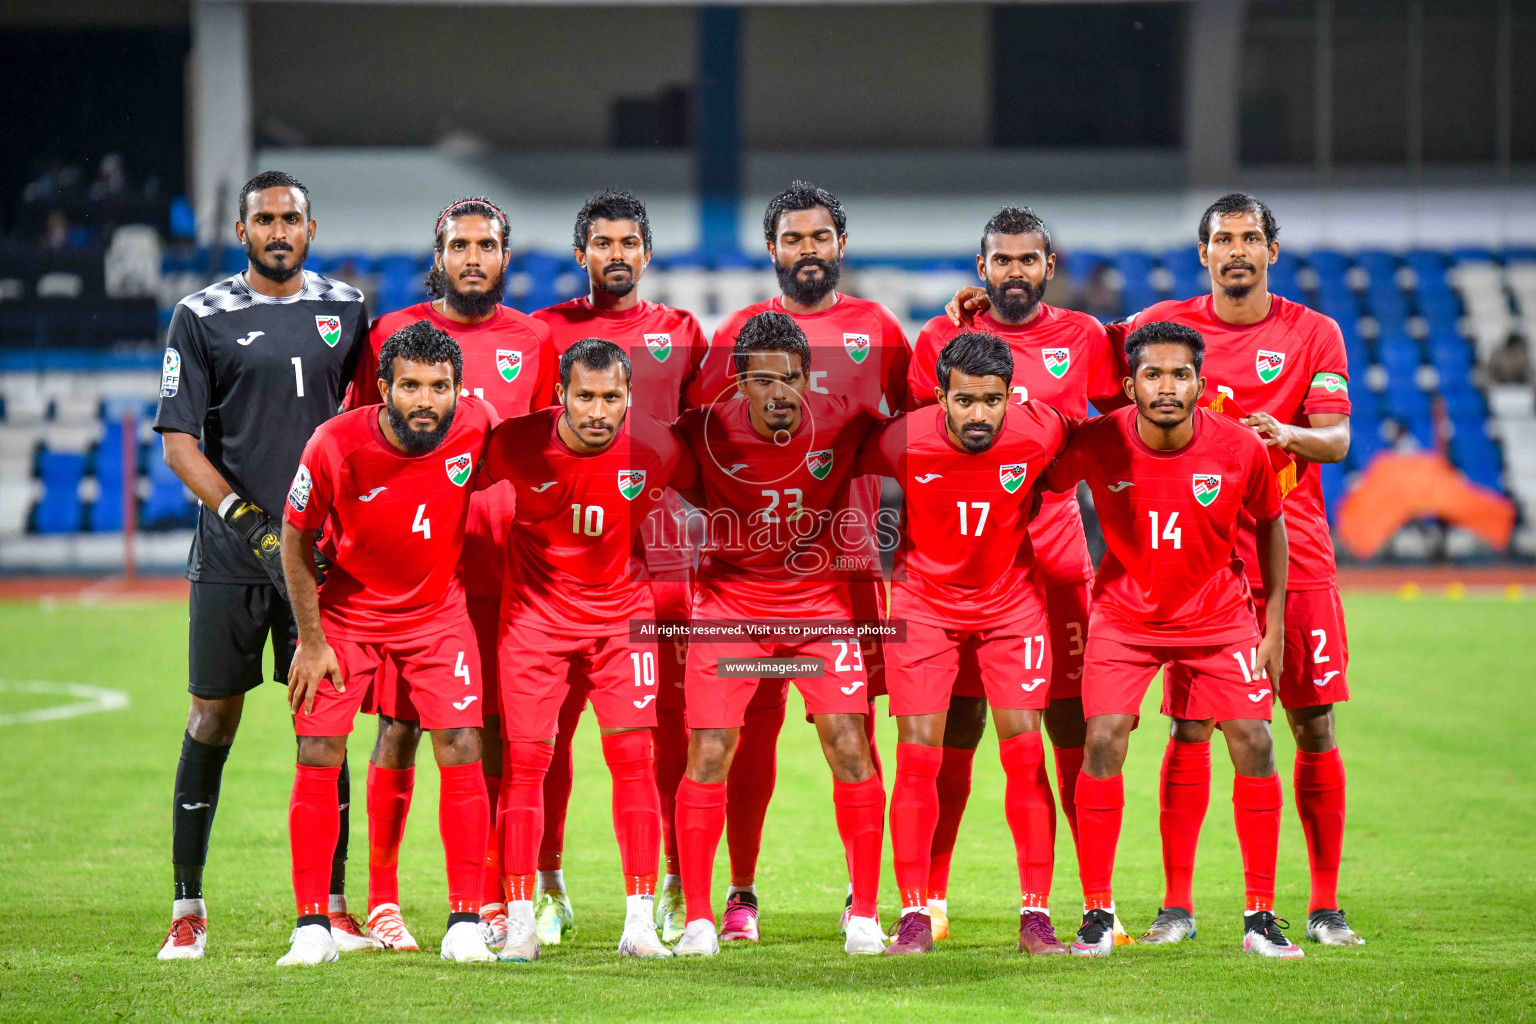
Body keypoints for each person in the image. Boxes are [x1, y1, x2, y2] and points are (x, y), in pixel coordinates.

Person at [946, 193, 1360, 947]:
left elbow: (1333, 441)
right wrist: (980, 317)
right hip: (1180, 567)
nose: (1237, 251)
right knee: (1190, 727)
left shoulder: (1312, 331)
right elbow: (1060, 354)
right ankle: (1175, 906)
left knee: (1310, 724)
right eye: (1223, 239)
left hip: (1290, 551)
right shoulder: (1151, 328)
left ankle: (1324, 906)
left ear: (1272, 250)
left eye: (1251, 238)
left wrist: (1283, 432)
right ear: (1203, 253)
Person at [153, 171, 370, 960]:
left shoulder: (348, 309)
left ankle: (335, 907)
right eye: (264, 220)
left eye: (291, 219)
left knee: (326, 727)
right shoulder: (200, 316)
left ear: (312, 228)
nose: (278, 230)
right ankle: (187, 906)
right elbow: (179, 442)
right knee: (213, 716)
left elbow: (367, 423)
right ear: (241, 232)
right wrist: (247, 521)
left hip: (320, 561)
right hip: (232, 560)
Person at [686, 182, 908, 940]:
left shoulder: (877, 328)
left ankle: (862, 896)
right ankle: (740, 893)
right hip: (743, 580)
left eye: (819, 237)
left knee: (852, 735)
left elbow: (914, 424)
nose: (806, 250)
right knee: (745, 732)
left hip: (841, 575)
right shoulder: (739, 332)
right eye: (792, 238)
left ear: (840, 244)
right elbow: (709, 440)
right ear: (772, 248)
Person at [1043, 321, 1301, 959]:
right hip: (1125, 617)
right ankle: (1098, 913)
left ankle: (1260, 916)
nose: (1166, 386)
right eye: (1152, 375)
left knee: (1255, 740)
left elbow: (1272, 525)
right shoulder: (1098, 441)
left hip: (1216, 616)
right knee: (1100, 736)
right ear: (1130, 385)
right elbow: (1034, 482)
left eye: (1180, 374)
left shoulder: (1240, 448)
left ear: (1200, 383)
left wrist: (1272, 627)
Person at [344, 196, 557, 952]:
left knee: (490, 732)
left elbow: (542, 456)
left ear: (507, 255)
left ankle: (493, 896)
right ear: (438, 255)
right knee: (398, 727)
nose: (474, 258)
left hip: (504, 569)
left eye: (487, 245)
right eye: (460, 245)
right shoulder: (391, 335)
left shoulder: (535, 341)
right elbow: (357, 444)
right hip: (412, 573)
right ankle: (382, 900)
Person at [907, 206, 1125, 942]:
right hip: (963, 562)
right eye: (1001, 260)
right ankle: (928, 898)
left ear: (1049, 266)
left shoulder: (1086, 339)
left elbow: (1121, 433)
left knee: (1069, 720)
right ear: (981, 269)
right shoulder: (943, 338)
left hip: (1055, 553)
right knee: (956, 724)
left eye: (1027, 259)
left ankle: (1095, 901)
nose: (1014, 272)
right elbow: (915, 441)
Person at [278, 322, 498, 966]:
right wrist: (312, 640)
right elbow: (295, 541)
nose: (425, 400)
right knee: (318, 749)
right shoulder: (334, 444)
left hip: (436, 615)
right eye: (410, 386)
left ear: (459, 390)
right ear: (383, 389)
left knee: (461, 742)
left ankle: (463, 921)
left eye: (439, 387)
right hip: (348, 616)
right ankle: (312, 925)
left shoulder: (476, 424)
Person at [669, 311, 888, 957]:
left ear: (808, 377)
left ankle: (867, 915)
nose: (778, 395)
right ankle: (702, 920)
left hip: (818, 614)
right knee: (710, 751)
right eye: (763, 382)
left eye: (790, 380)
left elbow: (922, 429)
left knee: (850, 744)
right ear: (737, 383)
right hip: (732, 611)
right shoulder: (703, 431)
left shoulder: (847, 418)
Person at [529, 189, 707, 944]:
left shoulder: (682, 332)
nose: (616, 255)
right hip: (565, 563)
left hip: (664, 561)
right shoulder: (544, 334)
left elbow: (706, 442)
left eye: (628, 242)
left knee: (667, 728)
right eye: (601, 243)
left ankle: (669, 880)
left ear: (647, 252)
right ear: (581, 255)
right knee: (550, 734)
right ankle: (548, 885)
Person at [861, 331, 1072, 956]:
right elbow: (835, 466)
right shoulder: (901, 438)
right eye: (964, 401)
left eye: (991, 400)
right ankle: (915, 915)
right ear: (940, 396)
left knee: (1024, 757)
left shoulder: (1040, 431)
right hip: (926, 603)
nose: (978, 414)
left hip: (1011, 604)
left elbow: (1101, 444)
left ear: (1011, 396)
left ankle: (1036, 918)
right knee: (918, 757)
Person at [479, 338, 682, 962]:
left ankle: (640, 922)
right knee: (525, 767)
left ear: (629, 396)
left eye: (612, 397)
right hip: (534, 623)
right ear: (560, 394)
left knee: (634, 762)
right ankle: (518, 920)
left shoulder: (656, 449)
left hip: (621, 620)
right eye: (585, 397)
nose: (599, 411)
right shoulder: (511, 443)